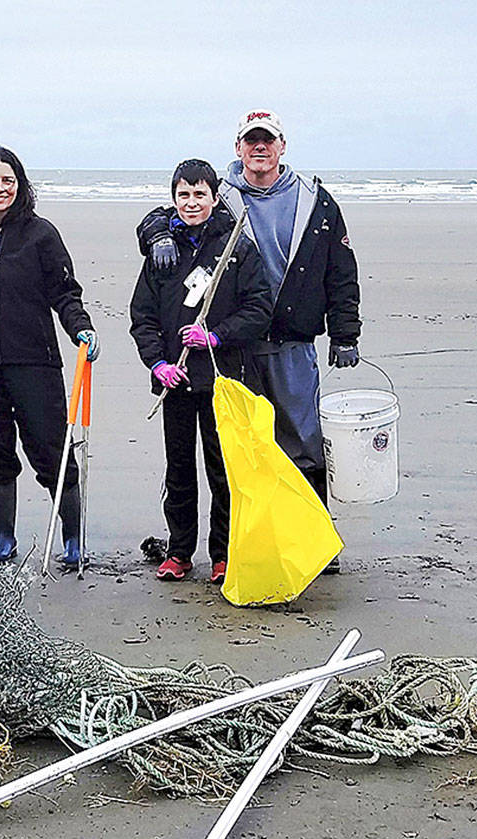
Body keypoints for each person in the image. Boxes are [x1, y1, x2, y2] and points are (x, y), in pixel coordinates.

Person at [136, 110, 361, 571]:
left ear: (282, 146)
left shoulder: (314, 200)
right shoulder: (223, 198)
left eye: (268, 141)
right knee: (244, 450)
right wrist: (157, 233)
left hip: (290, 341)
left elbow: (342, 269)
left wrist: (345, 331)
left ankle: (314, 538)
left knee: (303, 442)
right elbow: (171, 213)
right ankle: (245, 543)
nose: (259, 148)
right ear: (238, 149)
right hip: (234, 352)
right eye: (251, 141)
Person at [0, 145, 99, 567]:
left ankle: (71, 537)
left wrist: (80, 328)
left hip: (35, 361)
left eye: (7, 180)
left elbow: (65, 292)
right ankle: (4, 539)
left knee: (50, 451)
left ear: (20, 185)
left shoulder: (41, 234)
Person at [129, 159, 274, 583]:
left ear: (214, 197)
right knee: (178, 469)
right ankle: (179, 551)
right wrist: (157, 364)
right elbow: (142, 317)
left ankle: (223, 553)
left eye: (199, 194)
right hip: (175, 380)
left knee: (220, 468)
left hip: (221, 379)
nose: (192, 203)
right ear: (174, 198)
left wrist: (215, 336)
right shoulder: (162, 250)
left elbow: (259, 310)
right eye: (183, 195)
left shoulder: (237, 248)